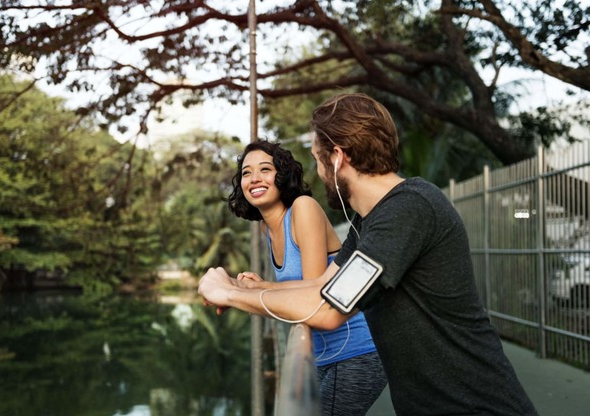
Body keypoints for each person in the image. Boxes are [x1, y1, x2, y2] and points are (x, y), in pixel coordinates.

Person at [199, 93, 539, 416]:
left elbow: (328, 309)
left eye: (318, 159)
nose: (318, 173)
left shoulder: (409, 209)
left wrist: (226, 293)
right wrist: (243, 289)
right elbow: (321, 286)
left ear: (337, 157)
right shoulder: (369, 219)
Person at [227, 139, 387, 416]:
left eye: (265, 169)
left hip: (355, 351)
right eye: (246, 173)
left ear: (282, 175)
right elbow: (301, 288)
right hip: (321, 355)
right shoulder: (269, 228)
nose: (254, 178)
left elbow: (313, 297)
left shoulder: (303, 208)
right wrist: (261, 285)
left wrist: (248, 291)